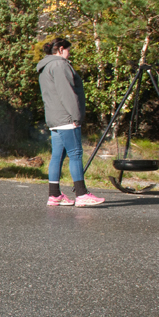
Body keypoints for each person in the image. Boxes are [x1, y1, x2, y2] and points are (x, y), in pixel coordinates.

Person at [37, 37, 105, 207]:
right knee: (75, 153)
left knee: (57, 155)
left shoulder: (45, 66)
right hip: (66, 117)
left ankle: (54, 195)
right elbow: (67, 93)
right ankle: (82, 194)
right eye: (68, 50)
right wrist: (77, 116)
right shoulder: (60, 65)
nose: (69, 54)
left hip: (54, 117)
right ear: (61, 49)